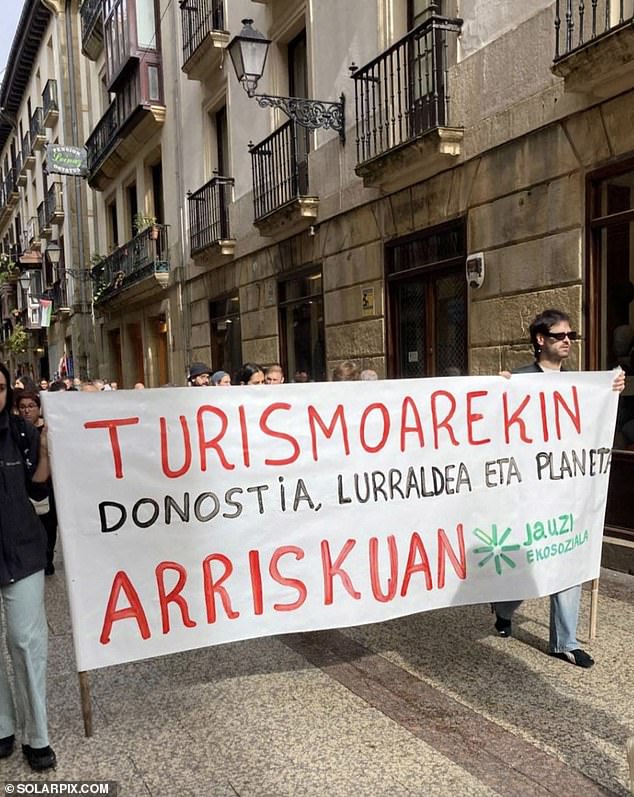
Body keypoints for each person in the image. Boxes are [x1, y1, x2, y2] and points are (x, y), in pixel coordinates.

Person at [493, 308, 625, 668]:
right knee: (524, 568)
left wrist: (609, 392)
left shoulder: (580, 386)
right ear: (540, 340)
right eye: (559, 335)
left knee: (568, 559)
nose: (567, 341)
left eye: (571, 336)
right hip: (528, 496)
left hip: (568, 493)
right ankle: (503, 609)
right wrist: (496, 390)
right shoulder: (519, 380)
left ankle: (563, 641)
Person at [0, 362, 56, 771]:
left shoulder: (19, 432)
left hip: (23, 551)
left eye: (0, 388)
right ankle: (2, 727)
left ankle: (37, 735)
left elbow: (37, 488)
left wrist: (47, 453)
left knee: (25, 641)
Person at [16, 393, 57, 576]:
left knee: (49, 524)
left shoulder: (49, 429)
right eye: (23, 406)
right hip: (25, 486)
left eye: (31, 406)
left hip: (48, 486)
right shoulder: (16, 432)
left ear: (39, 408)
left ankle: (47, 558)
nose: (27, 410)